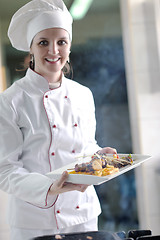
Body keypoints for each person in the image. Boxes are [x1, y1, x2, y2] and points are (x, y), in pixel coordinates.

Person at [0, 0, 117, 239]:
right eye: (43, 42)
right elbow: (5, 170)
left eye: (61, 42)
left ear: (70, 47)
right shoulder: (11, 100)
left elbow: (85, 146)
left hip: (82, 213)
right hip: (34, 219)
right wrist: (49, 188)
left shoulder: (83, 94)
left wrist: (99, 157)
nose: (54, 51)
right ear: (31, 49)